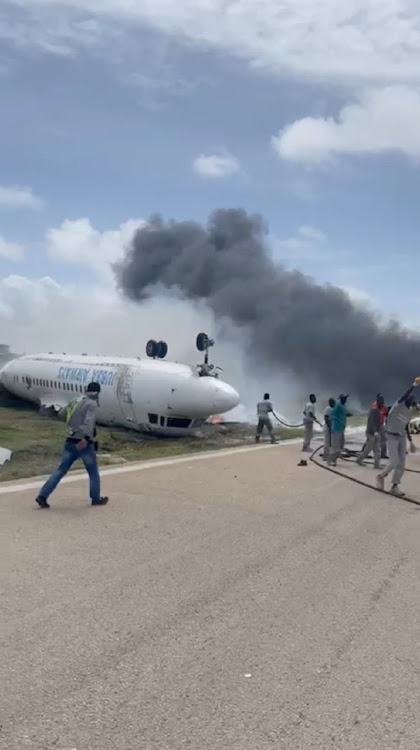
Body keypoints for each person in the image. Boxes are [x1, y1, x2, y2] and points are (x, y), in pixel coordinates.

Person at [35, 381, 109, 509]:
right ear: (97, 392)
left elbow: (63, 414)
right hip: (84, 444)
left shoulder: (76, 400)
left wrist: (72, 428)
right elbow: (89, 422)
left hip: (70, 441)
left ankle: (42, 495)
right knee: (93, 472)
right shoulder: (92, 404)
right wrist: (86, 438)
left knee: (60, 470)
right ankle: (95, 498)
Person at [376, 378, 420, 497]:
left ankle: (395, 486)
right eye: (409, 400)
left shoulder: (408, 412)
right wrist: (414, 385)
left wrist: (411, 442)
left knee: (402, 464)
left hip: (401, 436)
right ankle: (381, 476)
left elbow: (405, 426)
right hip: (391, 436)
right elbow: (405, 395)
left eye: (412, 401)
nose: (410, 402)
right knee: (394, 461)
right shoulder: (397, 406)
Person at [356, 395, 385, 469]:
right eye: (381, 402)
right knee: (368, 449)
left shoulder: (379, 410)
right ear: (378, 402)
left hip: (376, 432)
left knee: (377, 449)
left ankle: (376, 465)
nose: (382, 403)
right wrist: (375, 431)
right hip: (371, 433)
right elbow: (371, 422)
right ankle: (359, 460)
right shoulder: (374, 410)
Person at [327, 394, 349, 466]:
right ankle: (330, 460)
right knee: (335, 446)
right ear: (341, 399)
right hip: (336, 428)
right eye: (344, 398)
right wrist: (338, 420)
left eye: (346, 398)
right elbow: (332, 415)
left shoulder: (343, 406)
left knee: (341, 446)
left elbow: (343, 414)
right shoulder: (337, 405)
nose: (345, 399)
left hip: (341, 428)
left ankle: (334, 459)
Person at [323, 397, 336, 462]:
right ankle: (325, 456)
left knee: (330, 442)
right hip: (328, 428)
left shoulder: (333, 409)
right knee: (327, 442)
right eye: (333, 402)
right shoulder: (328, 409)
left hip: (331, 427)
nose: (334, 403)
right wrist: (330, 427)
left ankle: (329, 455)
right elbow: (326, 418)